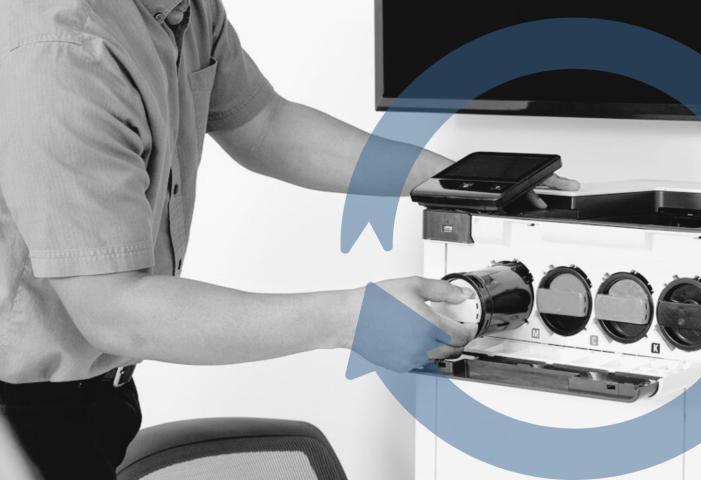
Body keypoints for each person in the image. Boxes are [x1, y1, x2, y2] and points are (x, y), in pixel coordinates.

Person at [0, 0, 579, 478]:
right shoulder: (63, 50)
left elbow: (264, 125)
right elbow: (113, 309)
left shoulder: (184, 10)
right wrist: (349, 320)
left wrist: (468, 182)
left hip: (102, 391)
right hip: (21, 410)